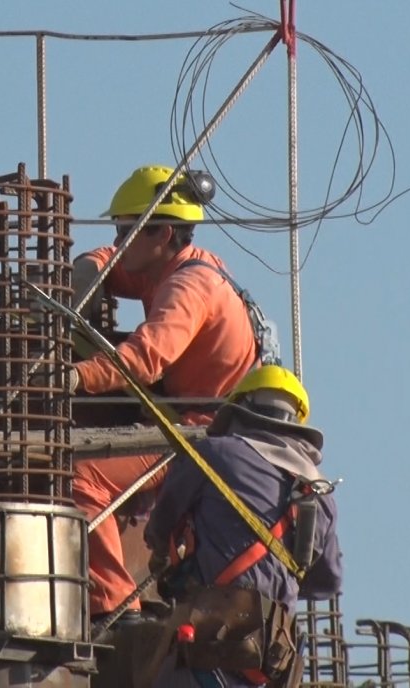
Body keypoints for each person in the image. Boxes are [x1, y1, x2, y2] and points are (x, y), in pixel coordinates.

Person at [70, 164, 260, 623]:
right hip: (185, 422)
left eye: (125, 229)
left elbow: (147, 358)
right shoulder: (172, 265)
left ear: (163, 233)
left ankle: (115, 607)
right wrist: (88, 271)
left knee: (81, 477)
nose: (117, 241)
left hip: (200, 434)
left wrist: (74, 378)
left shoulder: (188, 286)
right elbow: (111, 265)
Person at [142, 365, 342, 688]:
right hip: (267, 667)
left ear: (241, 408)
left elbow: (162, 522)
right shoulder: (320, 496)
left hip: (203, 654)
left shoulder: (214, 455)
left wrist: (160, 556)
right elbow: (327, 582)